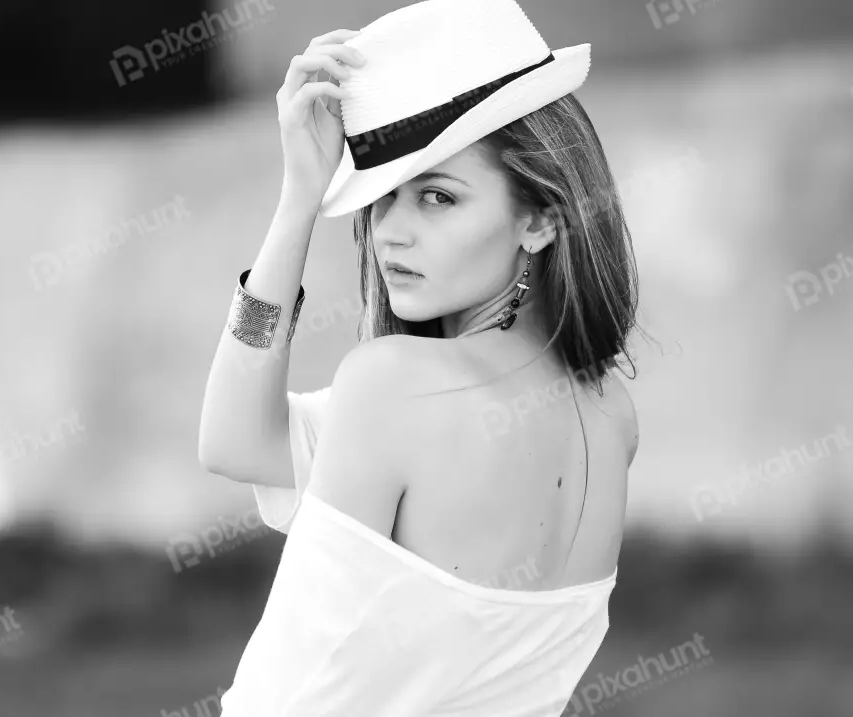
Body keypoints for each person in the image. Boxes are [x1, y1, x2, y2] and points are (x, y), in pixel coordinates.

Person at [199, 0, 641, 714]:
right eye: (382, 199)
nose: (390, 233)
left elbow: (287, 694)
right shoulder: (612, 413)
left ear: (540, 218)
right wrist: (299, 198)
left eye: (437, 197)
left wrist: (295, 205)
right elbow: (234, 441)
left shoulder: (397, 387)